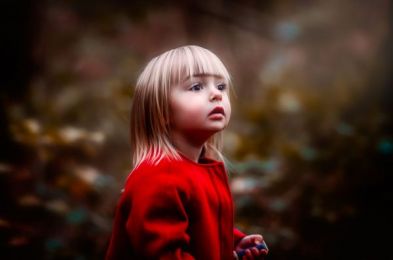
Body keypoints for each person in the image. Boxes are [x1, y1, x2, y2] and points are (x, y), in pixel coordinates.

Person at [105, 45, 268, 259]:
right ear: (162, 111)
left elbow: (198, 229)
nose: (216, 95)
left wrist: (232, 243)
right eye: (196, 87)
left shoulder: (197, 170)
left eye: (221, 86)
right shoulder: (158, 177)